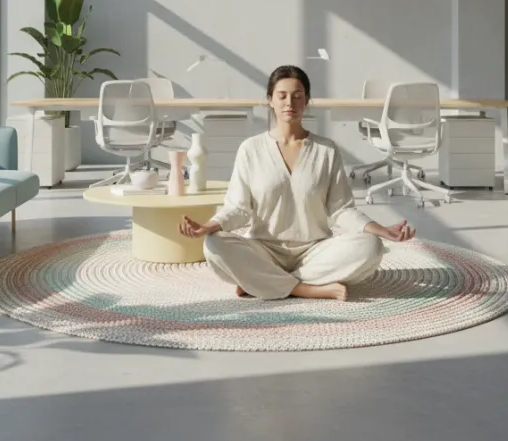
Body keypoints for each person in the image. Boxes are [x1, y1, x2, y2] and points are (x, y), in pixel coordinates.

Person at [178, 65, 415, 301]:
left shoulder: (326, 150)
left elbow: (342, 210)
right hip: (264, 251)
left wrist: (382, 230)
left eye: (297, 96)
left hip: (314, 251)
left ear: (307, 101)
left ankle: (263, 283)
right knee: (214, 245)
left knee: (370, 247)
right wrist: (208, 227)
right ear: (270, 100)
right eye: (281, 96)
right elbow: (238, 209)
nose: (289, 102)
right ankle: (304, 288)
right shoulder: (251, 149)